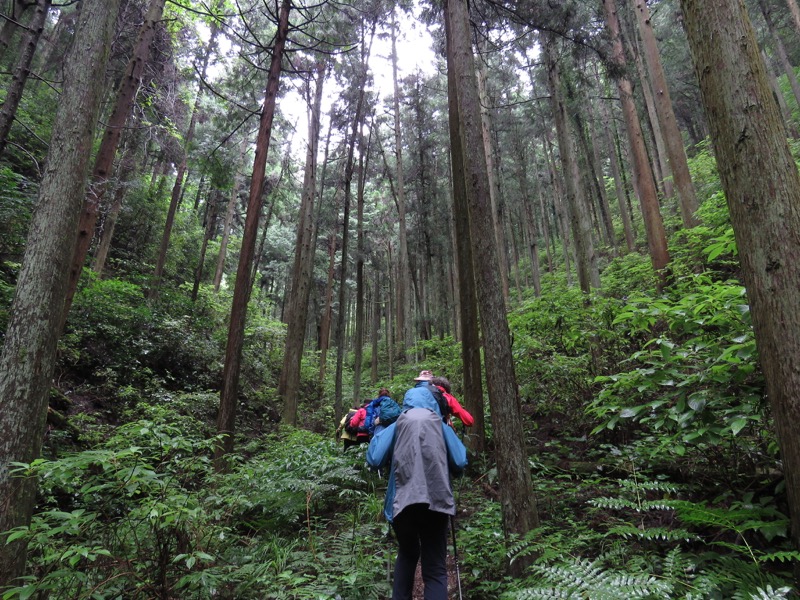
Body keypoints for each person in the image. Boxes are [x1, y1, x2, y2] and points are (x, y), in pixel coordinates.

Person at [367, 370, 468, 600]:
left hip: (403, 502)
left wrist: (380, 430)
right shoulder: (439, 424)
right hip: (437, 500)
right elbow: (461, 460)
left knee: (407, 554)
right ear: (433, 401)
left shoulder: (399, 422)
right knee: (435, 569)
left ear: (407, 401)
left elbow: (374, 459)